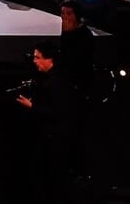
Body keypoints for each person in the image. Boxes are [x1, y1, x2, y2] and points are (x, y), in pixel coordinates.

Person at [15, 41, 82, 203]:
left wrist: (32, 106)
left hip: (56, 137)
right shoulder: (49, 79)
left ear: (49, 59)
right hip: (50, 136)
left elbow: (58, 112)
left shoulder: (58, 82)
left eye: (38, 57)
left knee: (54, 176)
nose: (34, 61)